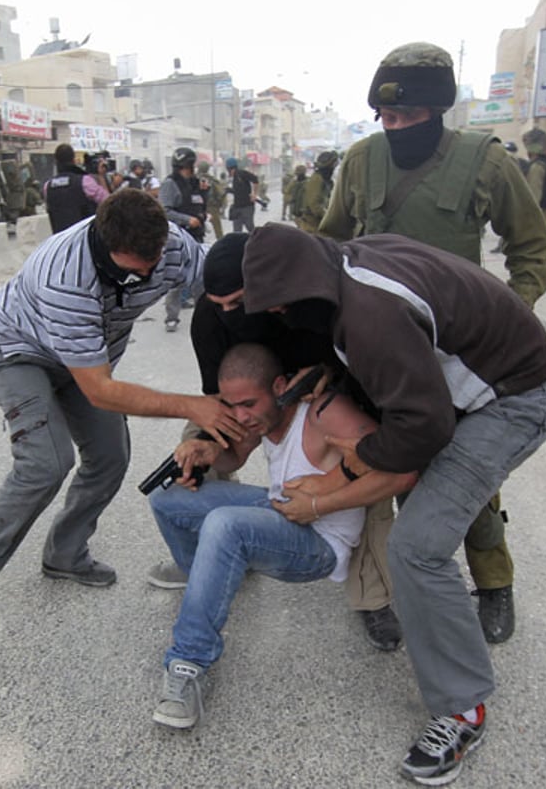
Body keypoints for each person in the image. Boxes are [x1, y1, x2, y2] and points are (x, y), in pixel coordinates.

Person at [242, 224, 546, 786]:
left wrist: (346, 464)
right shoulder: (349, 262)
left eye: (280, 307)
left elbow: (422, 429)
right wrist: (338, 372)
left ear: (301, 292)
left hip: (515, 401)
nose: (279, 318)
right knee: (422, 524)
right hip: (487, 384)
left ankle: (464, 709)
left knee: (416, 548)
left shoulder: (369, 317)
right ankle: (446, 624)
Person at [320, 41, 546, 645]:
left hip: (461, 357)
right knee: (369, 464)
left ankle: (495, 584)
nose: (390, 128)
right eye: (383, 118)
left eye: (403, 118)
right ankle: (377, 592)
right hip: (379, 350)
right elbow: (327, 243)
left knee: (468, 478)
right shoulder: (362, 161)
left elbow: (530, 248)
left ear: (435, 111)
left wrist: (509, 319)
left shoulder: (485, 161)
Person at [0, 189, 246, 622]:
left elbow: (221, 289)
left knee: (110, 456)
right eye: (134, 268)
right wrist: (193, 406)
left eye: (155, 261)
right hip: (19, 351)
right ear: (106, 246)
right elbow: (100, 390)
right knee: (46, 462)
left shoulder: (172, 248)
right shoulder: (65, 275)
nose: (147, 275)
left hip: (86, 359)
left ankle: (64, 554)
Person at [150, 234, 402, 651]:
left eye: (236, 301)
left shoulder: (305, 302)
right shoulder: (210, 319)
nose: (228, 313)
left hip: (324, 391)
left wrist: (327, 375)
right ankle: (213, 559)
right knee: (189, 472)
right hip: (248, 395)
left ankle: (371, 597)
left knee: (368, 480)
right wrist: (205, 444)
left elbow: (352, 363)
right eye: (218, 304)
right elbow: (218, 402)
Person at [149, 343, 416, 730]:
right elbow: (233, 458)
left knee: (225, 525)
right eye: (231, 405)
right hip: (278, 509)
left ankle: (188, 663)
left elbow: (398, 471)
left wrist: (320, 505)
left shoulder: (326, 412)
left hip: (320, 542)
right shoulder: (263, 416)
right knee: (166, 497)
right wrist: (206, 451)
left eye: (248, 404)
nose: (240, 415)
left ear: (278, 386)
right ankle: (210, 576)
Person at [159, 147, 208, 333]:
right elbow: (165, 211)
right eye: (188, 167)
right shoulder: (170, 184)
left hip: (197, 237)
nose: (190, 170)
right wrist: (187, 220)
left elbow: (200, 203)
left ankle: (204, 316)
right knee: (176, 279)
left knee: (200, 277)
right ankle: (171, 317)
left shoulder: (196, 183)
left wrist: (204, 204)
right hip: (178, 238)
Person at [44, 143, 109, 234]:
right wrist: (101, 177)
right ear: (73, 160)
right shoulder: (85, 181)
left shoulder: (48, 186)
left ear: (56, 161)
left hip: (60, 240)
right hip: (83, 238)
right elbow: (108, 202)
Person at [297, 151, 338, 231]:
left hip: (318, 222)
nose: (334, 166)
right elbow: (314, 204)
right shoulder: (317, 179)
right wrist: (328, 217)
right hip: (312, 224)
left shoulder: (325, 179)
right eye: (333, 164)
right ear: (328, 164)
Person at [225, 157, 259, 232]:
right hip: (237, 207)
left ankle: (256, 242)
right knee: (237, 230)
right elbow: (238, 191)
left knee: (250, 228)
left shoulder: (242, 173)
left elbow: (255, 180)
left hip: (247, 207)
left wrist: (254, 194)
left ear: (229, 168)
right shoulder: (233, 178)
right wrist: (228, 190)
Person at [197, 161, 227, 240]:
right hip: (212, 207)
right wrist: (221, 206)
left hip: (197, 208)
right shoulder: (213, 180)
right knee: (218, 230)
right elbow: (221, 194)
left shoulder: (192, 179)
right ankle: (222, 246)